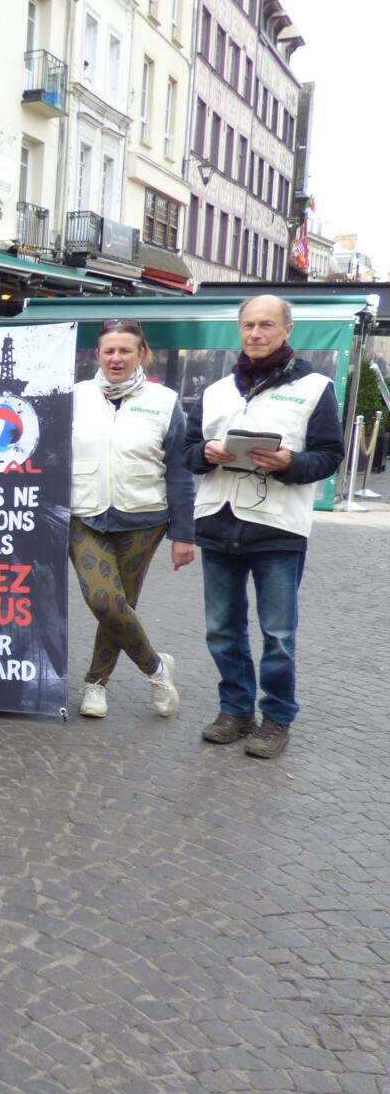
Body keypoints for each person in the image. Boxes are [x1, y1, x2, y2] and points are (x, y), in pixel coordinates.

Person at [185, 294, 343, 759]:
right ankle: (235, 710)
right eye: (249, 325)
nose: (256, 334)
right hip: (218, 520)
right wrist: (206, 453)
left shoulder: (315, 388)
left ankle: (277, 717)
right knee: (221, 629)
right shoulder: (216, 391)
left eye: (267, 325)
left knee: (278, 634)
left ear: (286, 330)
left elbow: (329, 455)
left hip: (277, 527)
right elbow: (188, 452)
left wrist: (289, 461)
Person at [68, 320, 196, 720]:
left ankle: (95, 685)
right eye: (109, 351)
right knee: (104, 599)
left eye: (125, 350)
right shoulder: (73, 398)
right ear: (97, 355)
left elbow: (179, 469)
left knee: (121, 605)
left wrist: (183, 535)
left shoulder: (163, 401)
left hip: (144, 517)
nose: (116, 358)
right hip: (84, 513)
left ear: (141, 354)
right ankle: (156, 668)